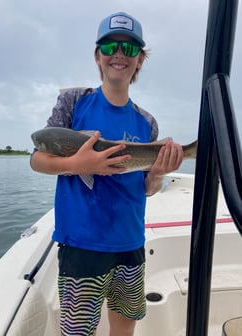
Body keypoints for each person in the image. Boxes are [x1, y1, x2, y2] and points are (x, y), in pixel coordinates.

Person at [30, 12, 183, 336]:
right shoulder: (73, 102)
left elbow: (147, 188)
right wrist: (78, 165)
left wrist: (157, 174)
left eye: (129, 49)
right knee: (78, 331)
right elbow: (37, 160)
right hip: (81, 245)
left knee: (124, 327)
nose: (118, 54)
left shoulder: (147, 122)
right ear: (98, 55)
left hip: (130, 244)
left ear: (139, 60)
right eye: (110, 45)